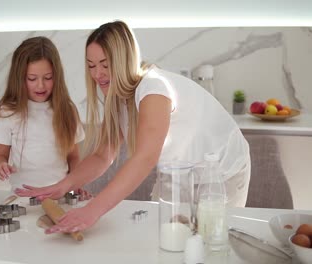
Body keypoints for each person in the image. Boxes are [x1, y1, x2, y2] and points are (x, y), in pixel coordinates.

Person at [15, 21, 251, 234]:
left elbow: (145, 158)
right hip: (178, 172)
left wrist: (92, 211)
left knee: (212, 242)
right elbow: (102, 154)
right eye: (91, 65)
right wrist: (63, 185)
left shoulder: (153, 88)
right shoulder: (117, 97)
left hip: (221, 171)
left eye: (105, 65)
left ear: (124, 60)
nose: (97, 74)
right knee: (165, 237)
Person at [0, 36, 89, 197]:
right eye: (32, 78)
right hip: (21, 195)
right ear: (19, 77)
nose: (41, 85)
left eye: (48, 78)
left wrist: (75, 183)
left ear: (57, 76)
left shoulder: (67, 110)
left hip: (60, 194)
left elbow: (73, 156)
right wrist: (0, 165)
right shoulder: (8, 112)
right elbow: (0, 155)